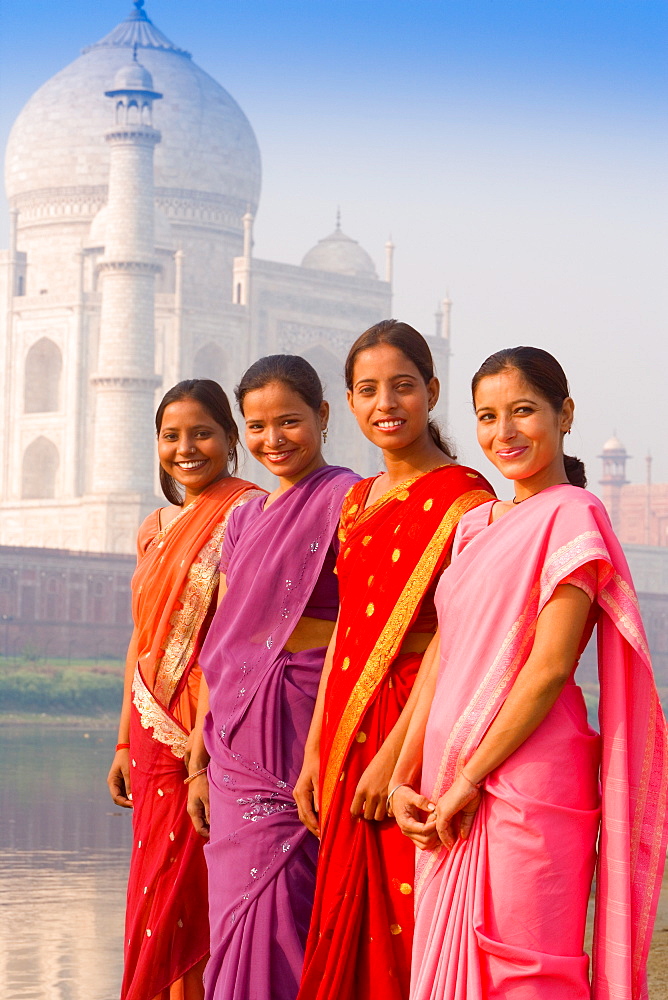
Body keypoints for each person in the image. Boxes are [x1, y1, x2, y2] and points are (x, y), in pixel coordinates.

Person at [389, 347, 668, 1000]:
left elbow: (546, 671)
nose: (503, 433)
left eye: (523, 411)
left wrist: (467, 782)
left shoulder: (573, 516)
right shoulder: (473, 528)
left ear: (563, 413)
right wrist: (405, 775)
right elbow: (445, 658)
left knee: (527, 969)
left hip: (528, 779)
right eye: (487, 416)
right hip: (443, 779)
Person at [294, 320, 495, 1000]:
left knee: (407, 914)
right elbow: (349, 626)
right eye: (369, 389)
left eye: (403, 387)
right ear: (349, 402)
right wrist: (317, 750)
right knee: (345, 914)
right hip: (349, 724)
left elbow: (457, 637)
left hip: (417, 722)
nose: (387, 403)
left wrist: (394, 760)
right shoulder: (357, 501)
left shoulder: (468, 500)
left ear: (432, 392)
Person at [186, 355, 359, 1000]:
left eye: (289, 421)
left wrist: (322, 738)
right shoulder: (243, 518)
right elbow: (223, 635)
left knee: (290, 890)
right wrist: (198, 756)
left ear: (323, 415)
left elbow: (356, 626)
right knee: (233, 908)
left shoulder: (349, 499)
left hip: (302, 715)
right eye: (256, 427)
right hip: (231, 732)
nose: (273, 440)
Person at [107, 379, 264, 1000]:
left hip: (211, 728)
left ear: (230, 440)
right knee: (154, 886)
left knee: (193, 889)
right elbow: (140, 640)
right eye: (171, 436)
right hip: (148, 734)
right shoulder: (154, 529)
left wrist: (203, 746)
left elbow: (238, 638)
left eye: (202, 433)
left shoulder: (248, 514)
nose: (186, 447)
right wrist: (121, 742)